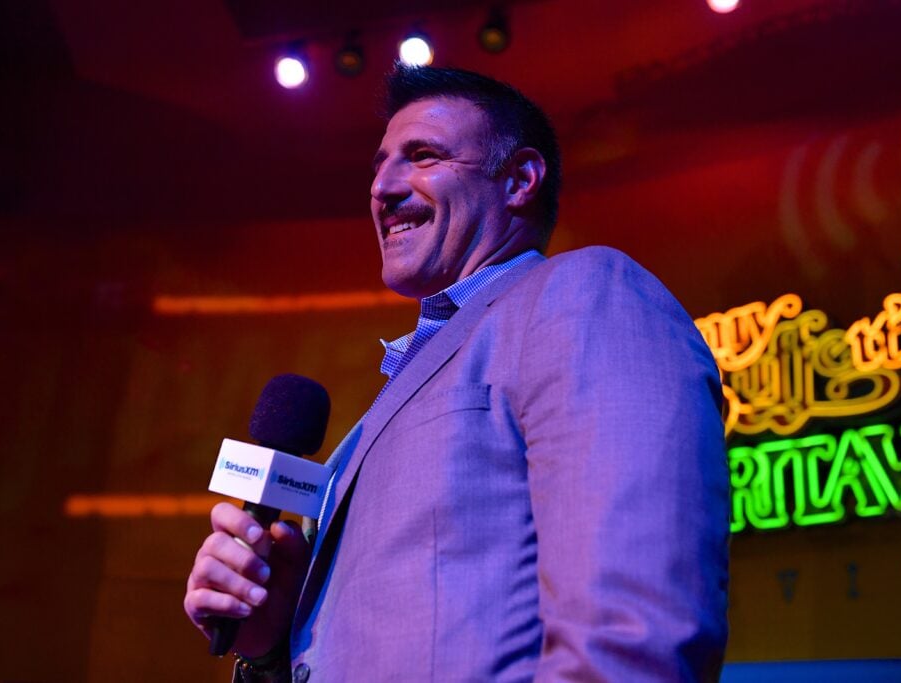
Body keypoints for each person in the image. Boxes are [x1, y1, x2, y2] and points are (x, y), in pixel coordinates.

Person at [184, 65, 729, 682]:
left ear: (519, 180)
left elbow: (634, 634)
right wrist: (269, 647)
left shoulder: (583, 295)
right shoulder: (385, 407)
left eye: (422, 156)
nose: (382, 188)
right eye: (379, 166)